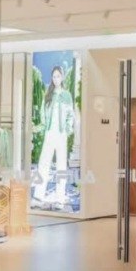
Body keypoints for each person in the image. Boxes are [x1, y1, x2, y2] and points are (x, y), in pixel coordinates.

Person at [34, 65, 76, 202]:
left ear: (62, 77)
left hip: (61, 134)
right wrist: (42, 127)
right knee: (43, 163)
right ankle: (39, 195)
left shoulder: (67, 95)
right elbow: (42, 113)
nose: (56, 79)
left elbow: (70, 115)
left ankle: (60, 197)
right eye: (54, 77)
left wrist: (67, 130)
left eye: (58, 76)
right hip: (49, 133)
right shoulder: (48, 95)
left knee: (61, 166)